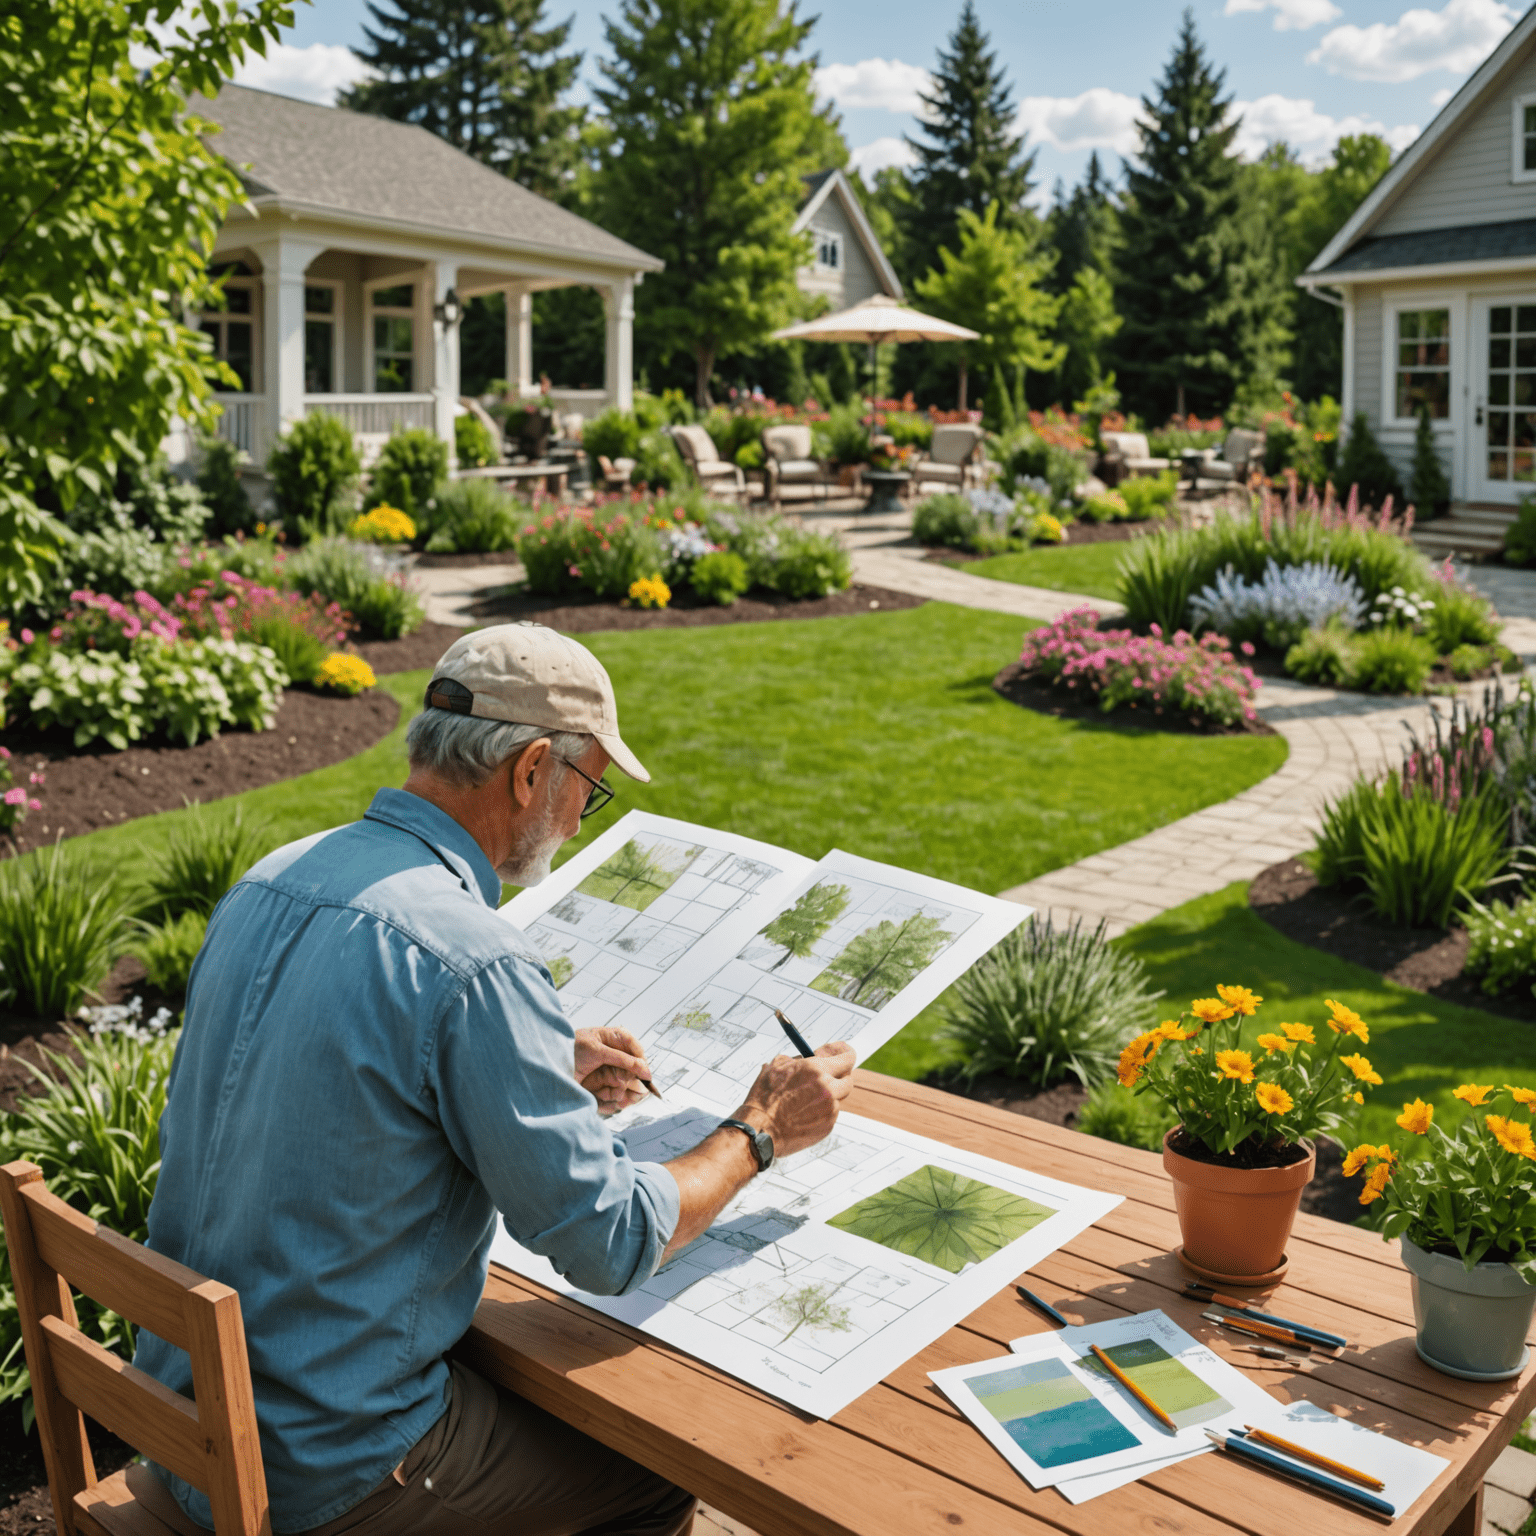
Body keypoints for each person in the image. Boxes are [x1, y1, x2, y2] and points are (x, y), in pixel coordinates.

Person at [132, 621, 856, 1536]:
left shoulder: (271, 880)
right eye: (586, 790)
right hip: (323, 1469)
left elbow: (318, 1071)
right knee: (654, 1478)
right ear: (530, 770)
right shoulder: (472, 959)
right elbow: (609, 1244)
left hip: (186, 1420)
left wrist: (535, 1064)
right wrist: (760, 1128)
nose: (573, 816)